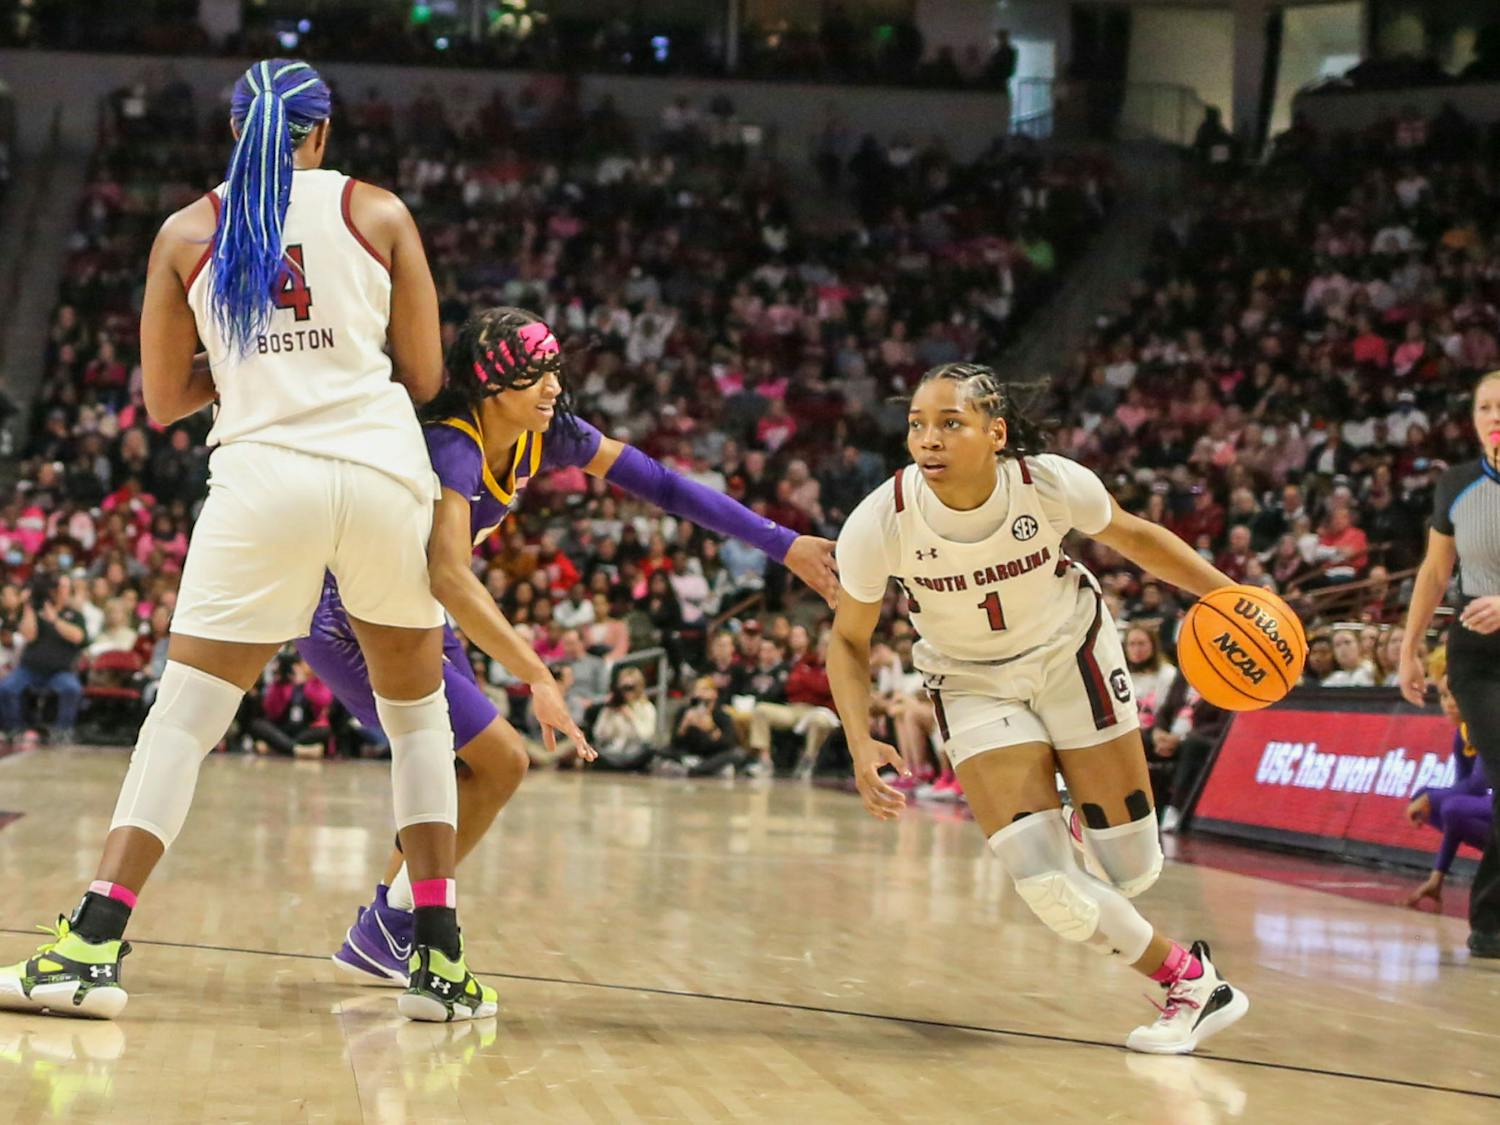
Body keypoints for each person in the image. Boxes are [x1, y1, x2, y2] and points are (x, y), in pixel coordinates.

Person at [0, 59, 495, 1023]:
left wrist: (250, 359)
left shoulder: (187, 231)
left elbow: (163, 398)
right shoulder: (381, 211)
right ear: (321, 133)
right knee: (417, 719)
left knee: (183, 717)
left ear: (235, 131)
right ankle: (438, 960)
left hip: (263, 480)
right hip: (381, 474)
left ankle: (91, 944)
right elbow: (428, 376)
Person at [308, 306, 840, 986]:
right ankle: (390, 925)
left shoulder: (547, 436)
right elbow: (447, 570)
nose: (555, 385)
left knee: (471, 773)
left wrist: (784, 542)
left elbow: (664, 484)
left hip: (419, 611)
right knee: (500, 760)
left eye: (556, 367)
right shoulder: (452, 444)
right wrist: (537, 674)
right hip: (352, 617)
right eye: (536, 373)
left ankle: (385, 927)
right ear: (492, 385)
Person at [828, 363, 1252, 1054]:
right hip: (970, 680)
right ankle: (1195, 982)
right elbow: (847, 638)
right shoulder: (881, 520)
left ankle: (1078, 823)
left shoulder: (1049, 482)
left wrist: (1228, 596)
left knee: (1131, 868)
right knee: (1051, 884)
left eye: (949, 423)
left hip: (1070, 653)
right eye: (917, 425)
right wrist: (857, 738)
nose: (928, 440)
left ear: (995, 433)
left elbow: (1137, 536)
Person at [1399, 370, 1500, 958]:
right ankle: (1489, 920)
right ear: (1473, 420)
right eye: (1484, 406)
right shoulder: (1457, 484)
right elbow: (1436, 573)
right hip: (1478, 656)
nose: (1494, 414)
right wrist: (1410, 648)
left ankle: (1489, 921)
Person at [1403, 648, 1492, 911]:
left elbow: (1476, 785)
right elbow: (1465, 795)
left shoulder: (1489, 725)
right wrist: (1438, 874)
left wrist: (1430, 797)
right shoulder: (1461, 734)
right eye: (1442, 695)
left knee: (1441, 802)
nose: (1449, 702)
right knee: (1440, 804)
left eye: (1454, 693)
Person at [0, 573, 88, 743]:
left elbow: (78, 636)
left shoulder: (74, 614)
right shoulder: (34, 611)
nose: (57, 591)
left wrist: (54, 620)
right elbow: (29, 635)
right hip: (30, 669)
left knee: (72, 689)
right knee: (7, 688)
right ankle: (14, 728)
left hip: (60, 671)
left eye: (62, 587)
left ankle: (63, 730)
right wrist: (28, 606)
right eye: (55, 587)